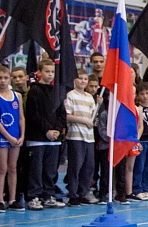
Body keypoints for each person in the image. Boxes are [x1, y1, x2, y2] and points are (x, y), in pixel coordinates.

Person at [25, 59, 66, 210]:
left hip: (54, 139)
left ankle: (48, 195)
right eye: (47, 71)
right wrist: (47, 130)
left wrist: (57, 130)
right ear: (40, 72)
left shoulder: (57, 91)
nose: (50, 74)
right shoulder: (34, 90)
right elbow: (34, 114)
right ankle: (34, 196)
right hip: (38, 138)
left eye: (52, 72)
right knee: (36, 169)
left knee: (50, 170)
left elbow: (62, 114)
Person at [0, 66, 25, 212]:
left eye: (5, 78)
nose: (3, 81)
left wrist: (22, 135)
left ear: (9, 79)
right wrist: (8, 137)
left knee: (13, 168)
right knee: (2, 168)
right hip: (2, 136)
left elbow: (21, 117)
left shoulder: (17, 96)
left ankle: (12, 199)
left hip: (15, 137)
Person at [64, 69, 96, 206]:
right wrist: (84, 121)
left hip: (89, 137)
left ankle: (83, 193)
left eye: (85, 79)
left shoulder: (90, 98)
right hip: (76, 135)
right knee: (75, 165)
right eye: (80, 78)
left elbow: (92, 116)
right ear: (74, 80)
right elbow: (67, 116)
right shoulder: (70, 95)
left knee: (88, 166)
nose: (83, 81)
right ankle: (73, 194)